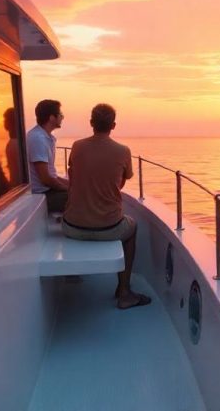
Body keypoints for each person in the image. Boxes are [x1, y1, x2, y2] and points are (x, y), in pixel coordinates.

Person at [63, 103, 149, 310]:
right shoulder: (123, 151)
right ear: (114, 125)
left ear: (91, 123)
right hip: (109, 229)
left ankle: (74, 278)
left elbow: (72, 178)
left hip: (72, 228)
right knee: (132, 226)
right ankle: (124, 292)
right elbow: (120, 183)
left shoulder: (77, 146)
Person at [27, 99, 69, 212]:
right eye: (60, 114)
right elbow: (45, 179)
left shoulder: (45, 137)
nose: (62, 117)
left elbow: (52, 176)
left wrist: (73, 185)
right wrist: (69, 189)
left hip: (48, 190)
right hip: (42, 194)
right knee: (84, 198)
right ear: (51, 117)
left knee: (82, 191)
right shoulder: (38, 139)